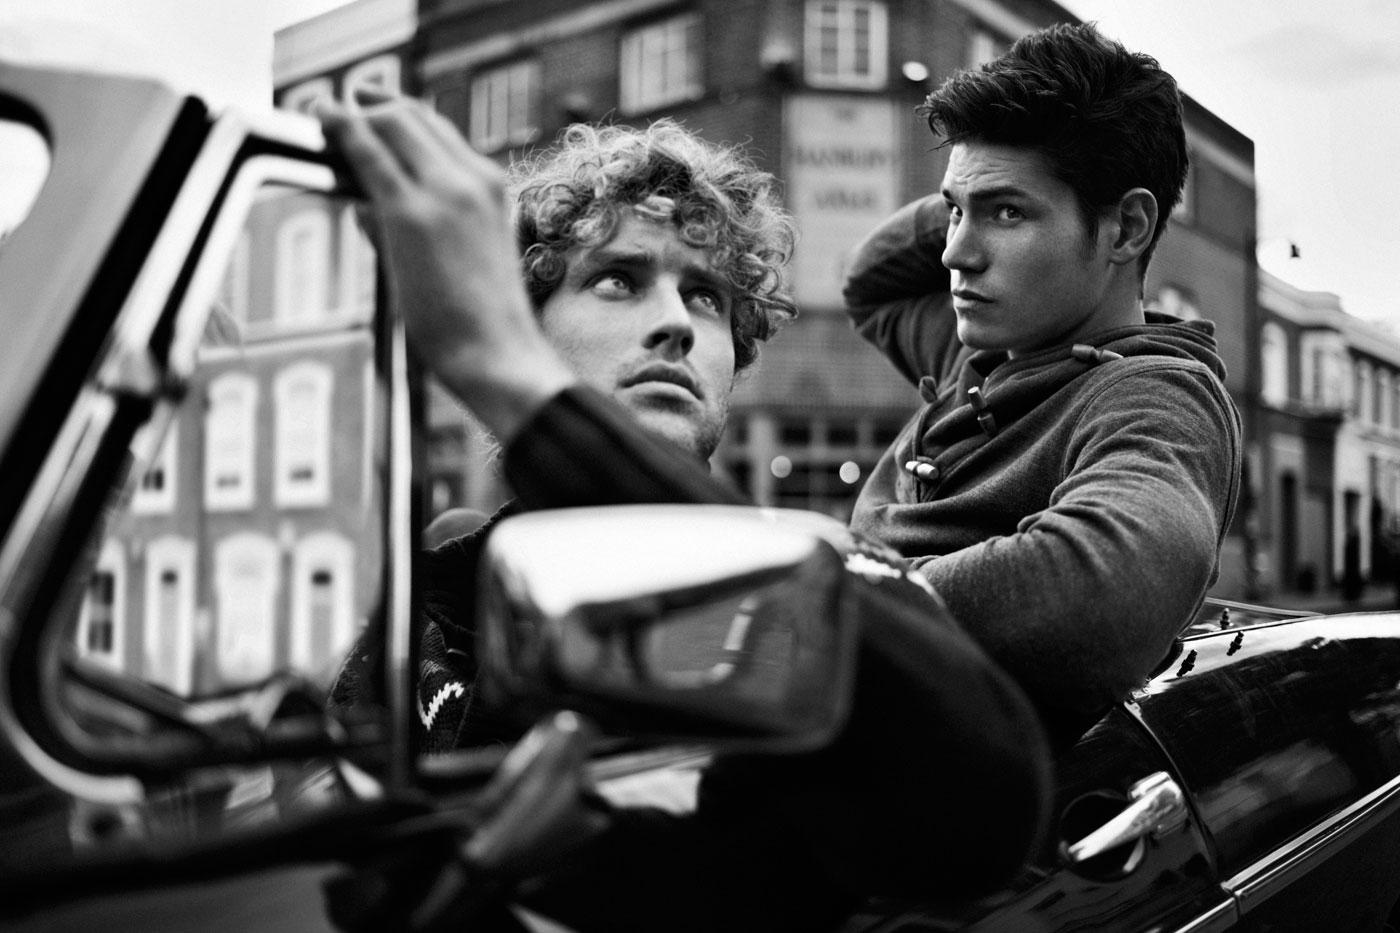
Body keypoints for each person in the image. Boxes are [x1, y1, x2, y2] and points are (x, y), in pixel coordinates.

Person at [318, 102, 1049, 930]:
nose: (673, 324)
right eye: (618, 280)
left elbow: (984, 809)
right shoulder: (423, 613)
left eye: (704, 296)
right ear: (525, 319)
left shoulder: (820, 569)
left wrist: (507, 375)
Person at [842, 22, 1243, 741]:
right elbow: (872, 280)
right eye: (954, 213)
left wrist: (824, 600)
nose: (955, 254)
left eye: (1008, 213)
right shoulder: (976, 347)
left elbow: (1110, 589)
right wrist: (978, 185)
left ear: (1126, 229)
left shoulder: (1154, 396)